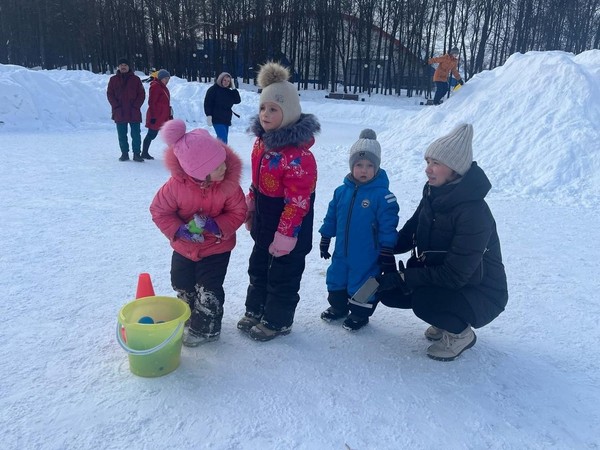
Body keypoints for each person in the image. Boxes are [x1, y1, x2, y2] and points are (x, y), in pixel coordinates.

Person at [377, 123, 508, 361]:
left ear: (455, 169)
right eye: (427, 161)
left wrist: (405, 276)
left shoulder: (474, 212)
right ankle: (444, 319)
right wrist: (383, 246)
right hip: (450, 281)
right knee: (391, 293)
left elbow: (455, 275)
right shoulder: (432, 192)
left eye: (435, 163)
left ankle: (459, 333)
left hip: (481, 291)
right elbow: (411, 230)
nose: (428, 169)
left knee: (424, 301)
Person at [237, 62, 320, 341]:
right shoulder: (261, 144)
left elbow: (298, 202)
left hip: (289, 226)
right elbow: (256, 181)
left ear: (290, 113)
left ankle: (278, 320)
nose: (265, 114)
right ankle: (256, 309)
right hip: (265, 217)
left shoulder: (299, 156)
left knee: (283, 275)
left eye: (273, 109)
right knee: (258, 266)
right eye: (263, 108)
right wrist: (251, 203)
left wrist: (286, 235)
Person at [149, 119, 247, 347]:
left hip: (216, 247)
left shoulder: (228, 185)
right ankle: (188, 315)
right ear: (198, 172)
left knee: (209, 289)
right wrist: (179, 230)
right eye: (217, 166)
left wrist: (216, 226)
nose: (224, 167)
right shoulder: (175, 187)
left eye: (223, 160)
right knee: (182, 283)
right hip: (184, 247)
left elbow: (238, 211)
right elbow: (159, 211)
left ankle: (207, 328)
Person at [319, 129, 399, 331]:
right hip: (341, 252)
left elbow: (389, 225)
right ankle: (338, 307)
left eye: (370, 166)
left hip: (367, 255)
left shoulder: (382, 196)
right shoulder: (341, 191)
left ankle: (359, 315)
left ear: (377, 167)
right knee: (336, 279)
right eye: (359, 165)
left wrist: (387, 249)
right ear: (351, 166)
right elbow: (332, 216)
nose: (364, 170)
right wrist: (326, 236)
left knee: (363, 284)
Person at [106, 57, 146, 161]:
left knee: (136, 135)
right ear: (118, 67)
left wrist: (136, 106)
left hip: (133, 111)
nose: (123, 67)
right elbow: (110, 94)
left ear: (129, 67)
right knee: (122, 135)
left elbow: (141, 94)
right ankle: (124, 153)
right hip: (120, 112)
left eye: (125, 65)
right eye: (121, 65)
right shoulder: (113, 80)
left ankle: (137, 154)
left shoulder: (136, 79)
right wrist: (116, 106)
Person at [141, 69, 172, 160]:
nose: (167, 81)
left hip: (164, 116)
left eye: (168, 79)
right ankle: (144, 152)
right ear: (161, 78)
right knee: (151, 134)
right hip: (157, 116)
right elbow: (152, 102)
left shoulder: (162, 86)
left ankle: (175, 154)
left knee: (168, 134)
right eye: (165, 78)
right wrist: (153, 116)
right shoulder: (155, 86)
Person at [203, 72, 241, 144]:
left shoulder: (229, 91)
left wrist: (234, 89)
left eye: (228, 81)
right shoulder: (213, 90)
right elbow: (207, 103)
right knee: (223, 140)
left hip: (226, 119)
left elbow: (237, 100)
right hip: (216, 118)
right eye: (224, 80)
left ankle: (215, 153)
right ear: (220, 79)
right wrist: (209, 115)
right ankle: (221, 154)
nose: (226, 82)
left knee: (222, 140)